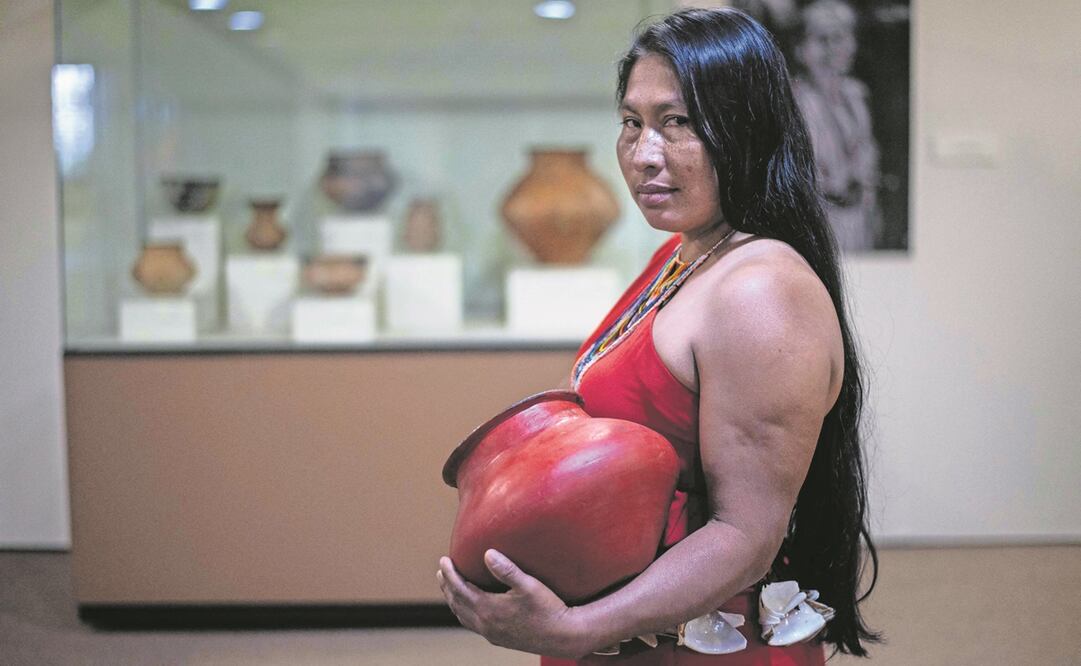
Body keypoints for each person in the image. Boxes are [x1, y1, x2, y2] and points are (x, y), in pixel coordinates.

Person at [438, 8, 878, 664]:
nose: (644, 155)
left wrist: (578, 629)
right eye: (630, 123)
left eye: (677, 123)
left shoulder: (759, 292)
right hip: (629, 629)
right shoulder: (683, 254)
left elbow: (743, 535)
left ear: (746, 130)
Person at [791, 0, 881, 252]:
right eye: (821, 39)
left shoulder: (856, 94)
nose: (832, 48)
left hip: (859, 223)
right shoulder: (794, 100)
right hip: (817, 224)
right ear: (800, 48)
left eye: (840, 37)